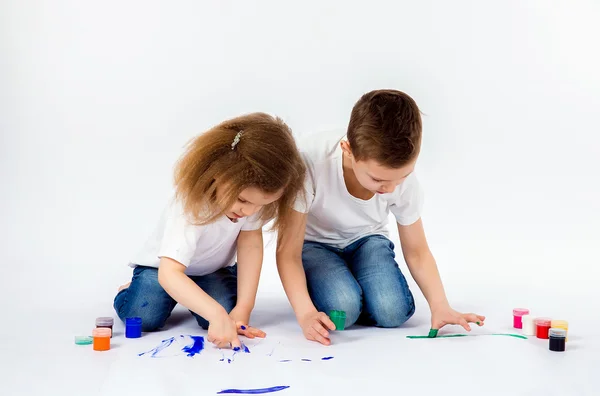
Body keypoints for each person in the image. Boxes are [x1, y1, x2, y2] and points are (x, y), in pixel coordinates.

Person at [276, 89, 485, 345]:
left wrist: (439, 304)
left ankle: (355, 283)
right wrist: (306, 313)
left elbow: (418, 251)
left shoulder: (400, 180)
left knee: (392, 311)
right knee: (344, 307)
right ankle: (339, 288)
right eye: (377, 179)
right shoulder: (311, 161)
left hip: (368, 241)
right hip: (316, 246)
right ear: (348, 150)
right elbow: (287, 252)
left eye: (403, 177)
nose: (391, 188)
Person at [114, 113, 306, 349]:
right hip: (162, 271)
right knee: (144, 316)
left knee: (226, 316)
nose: (249, 211)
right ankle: (129, 290)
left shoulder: (250, 203)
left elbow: (251, 246)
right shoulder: (190, 204)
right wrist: (215, 313)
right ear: (219, 175)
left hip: (210, 271)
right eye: (243, 200)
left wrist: (244, 307)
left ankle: (193, 297)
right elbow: (170, 273)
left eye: (261, 205)